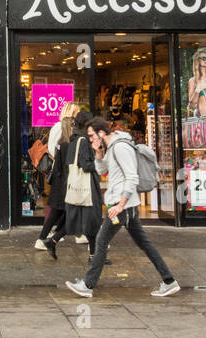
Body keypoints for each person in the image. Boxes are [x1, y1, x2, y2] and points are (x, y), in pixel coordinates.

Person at [64, 118, 180, 299]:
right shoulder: (111, 147)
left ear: (101, 133)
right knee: (144, 244)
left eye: (92, 136)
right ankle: (169, 281)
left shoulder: (120, 147)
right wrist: (98, 153)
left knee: (101, 242)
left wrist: (120, 205)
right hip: (126, 206)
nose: (90, 139)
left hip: (122, 206)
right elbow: (102, 171)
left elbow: (132, 177)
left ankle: (88, 285)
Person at [34, 107, 75, 258]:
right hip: (62, 179)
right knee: (64, 210)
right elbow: (58, 155)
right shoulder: (63, 137)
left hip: (61, 178)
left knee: (60, 210)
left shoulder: (63, 138)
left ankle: (50, 238)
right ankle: (50, 238)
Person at [62, 110, 101, 252]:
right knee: (93, 221)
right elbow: (86, 166)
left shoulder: (74, 139)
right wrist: (99, 161)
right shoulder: (83, 141)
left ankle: (52, 242)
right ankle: (94, 255)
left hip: (77, 186)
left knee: (87, 222)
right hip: (88, 187)